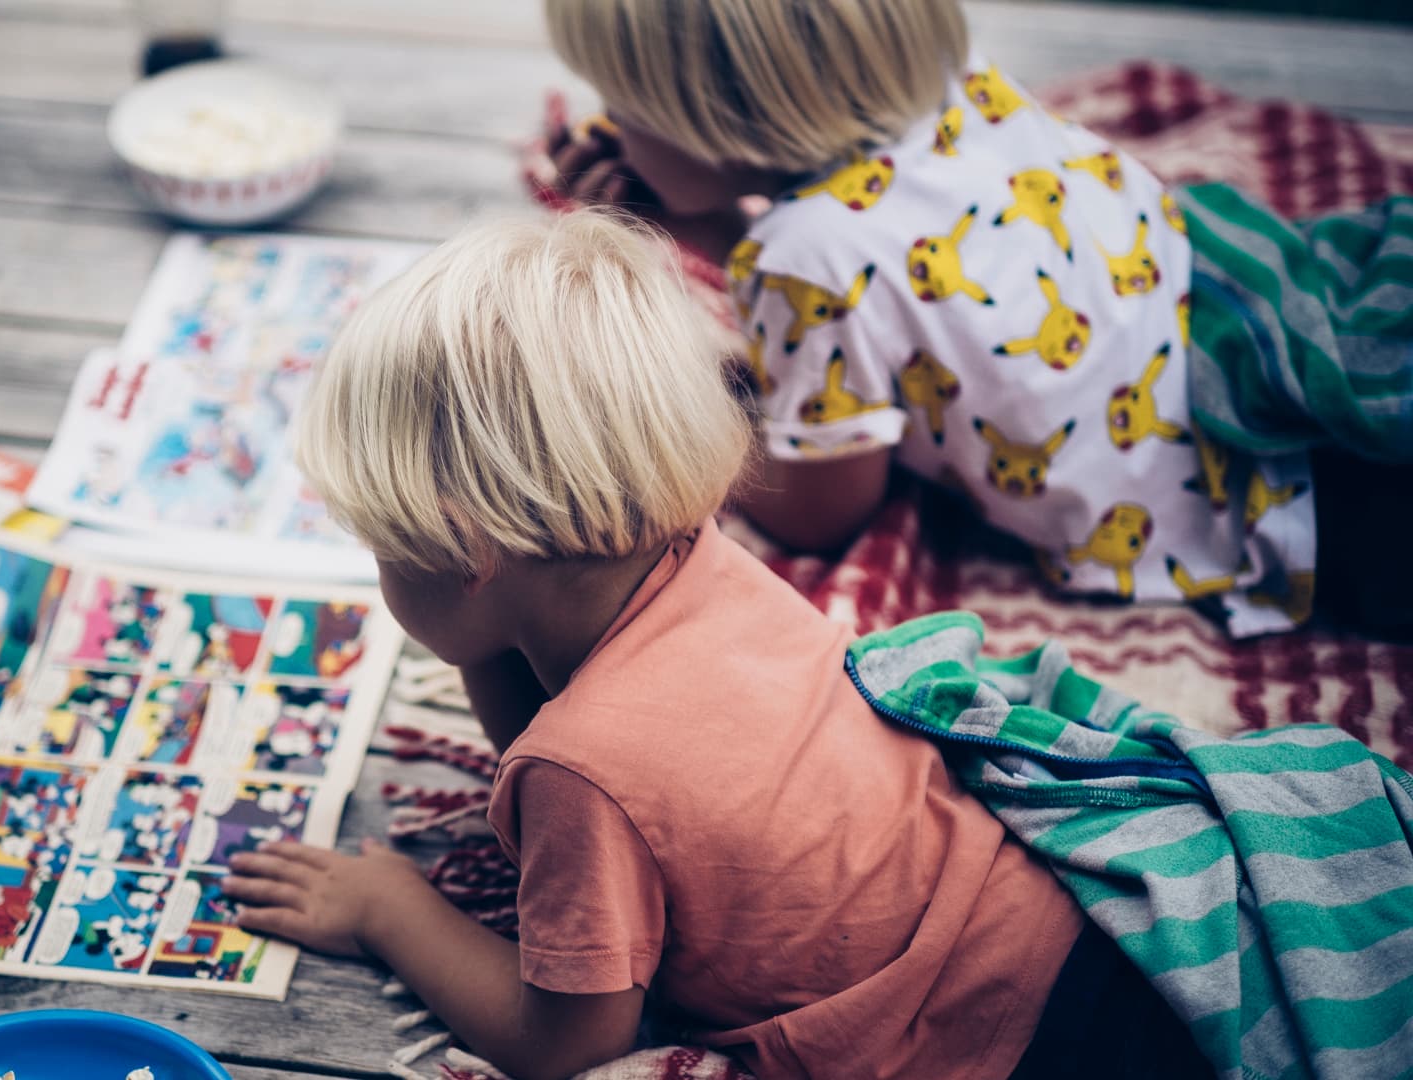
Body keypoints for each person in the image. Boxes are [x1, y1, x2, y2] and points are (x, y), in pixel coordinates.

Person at [219, 212, 1205, 1079]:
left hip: (1015, 1048)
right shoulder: (696, 558)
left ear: (468, 548)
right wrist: (481, 630)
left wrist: (391, 908)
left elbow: (567, 1044)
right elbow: (568, 716)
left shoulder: (583, 772)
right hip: (1076, 930)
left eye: (384, 545)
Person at [534, 0, 1413, 638]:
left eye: (620, 100)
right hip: (1241, 312)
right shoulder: (962, 96)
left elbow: (819, 515)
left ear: (718, 123)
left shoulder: (801, 261)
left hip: (1270, 484)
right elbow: (867, 280)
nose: (605, 123)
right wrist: (710, 225)